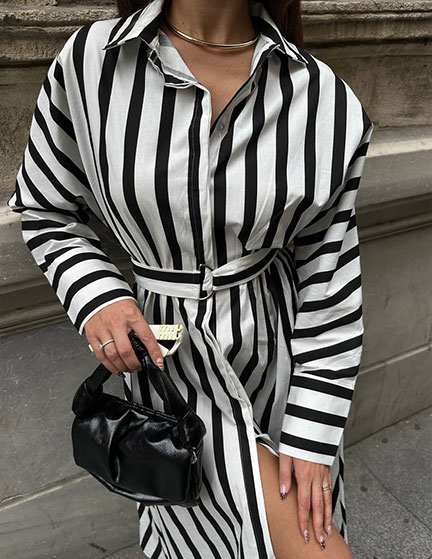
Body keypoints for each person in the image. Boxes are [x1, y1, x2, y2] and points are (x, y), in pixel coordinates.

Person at [6, 0, 374, 557]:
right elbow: (45, 207)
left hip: (278, 369)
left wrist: (314, 432)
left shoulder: (325, 100)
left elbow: (331, 284)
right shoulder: (92, 62)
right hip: (167, 366)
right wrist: (98, 296)